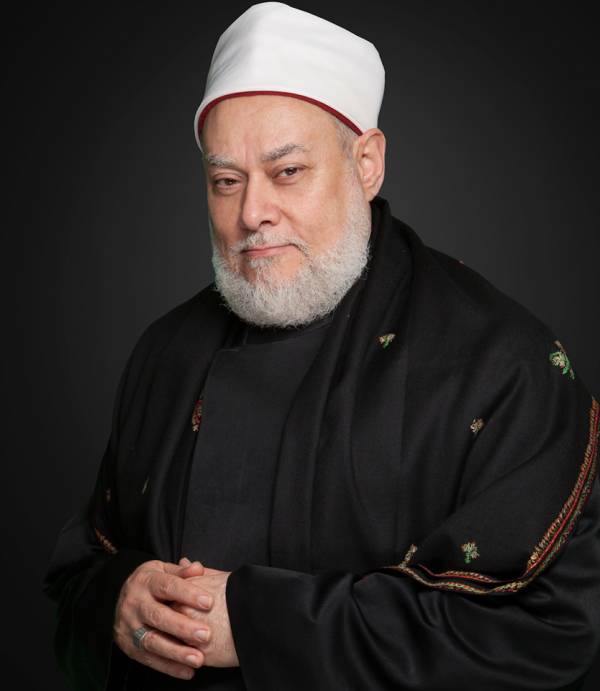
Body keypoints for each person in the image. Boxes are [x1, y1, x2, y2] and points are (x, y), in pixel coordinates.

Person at [44, 2, 600, 690]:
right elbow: (78, 572)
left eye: (287, 172)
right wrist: (119, 598)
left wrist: (258, 623)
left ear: (366, 164)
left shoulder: (503, 365)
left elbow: (547, 632)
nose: (252, 213)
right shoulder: (166, 353)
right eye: (226, 181)